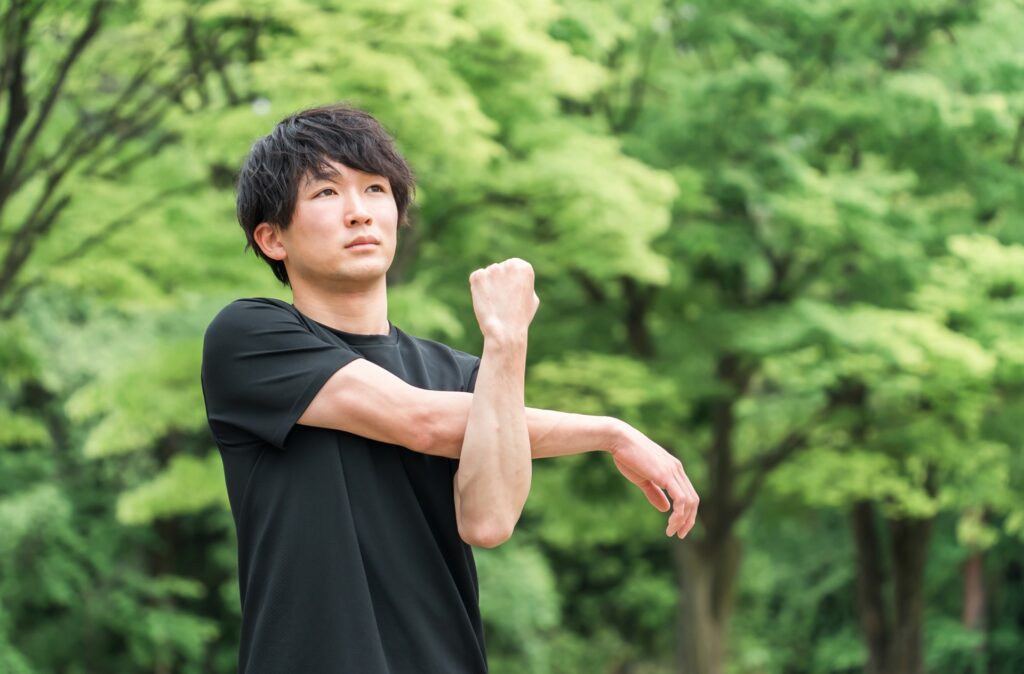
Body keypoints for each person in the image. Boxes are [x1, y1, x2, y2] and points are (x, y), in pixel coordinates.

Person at [200, 103, 699, 674]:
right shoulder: (249, 337)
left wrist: (507, 341)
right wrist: (608, 432)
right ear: (272, 238)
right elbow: (421, 423)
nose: (359, 212)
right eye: (326, 192)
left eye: (376, 189)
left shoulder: (464, 377)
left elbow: (489, 522)